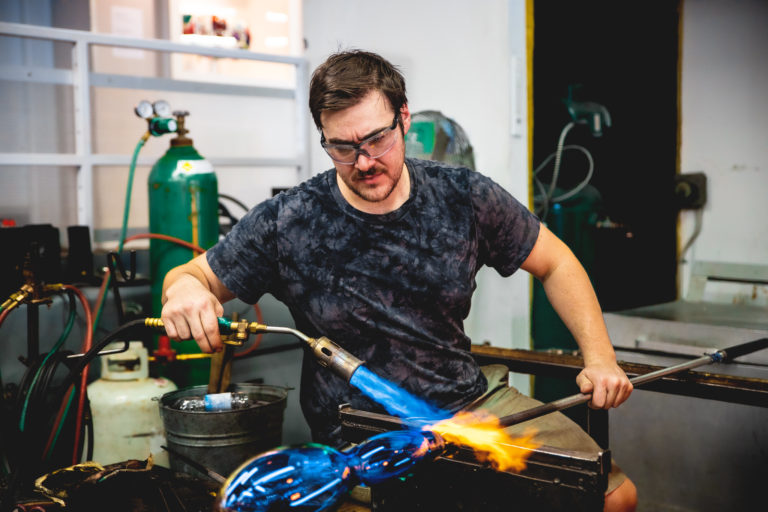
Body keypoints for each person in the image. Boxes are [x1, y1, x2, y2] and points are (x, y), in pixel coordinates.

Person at [161, 50, 637, 511]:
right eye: (343, 148)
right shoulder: (289, 220)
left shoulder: (464, 197)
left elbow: (557, 262)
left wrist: (600, 358)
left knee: (614, 497)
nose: (364, 162)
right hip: (362, 439)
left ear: (404, 118)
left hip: (468, 406)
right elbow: (194, 274)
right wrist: (183, 290)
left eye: (376, 140)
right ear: (323, 139)